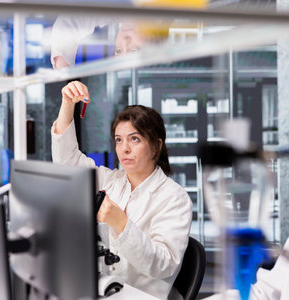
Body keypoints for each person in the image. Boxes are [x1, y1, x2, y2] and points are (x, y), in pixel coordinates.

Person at [51, 81, 192, 299]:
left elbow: (164, 265)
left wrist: (122, 223)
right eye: (119, 140)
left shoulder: (174, 198)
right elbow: (67, 162)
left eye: (134, 139)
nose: (124, 148)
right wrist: (68, 104)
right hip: (103, 290)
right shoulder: (110, 180)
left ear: (156, 145)